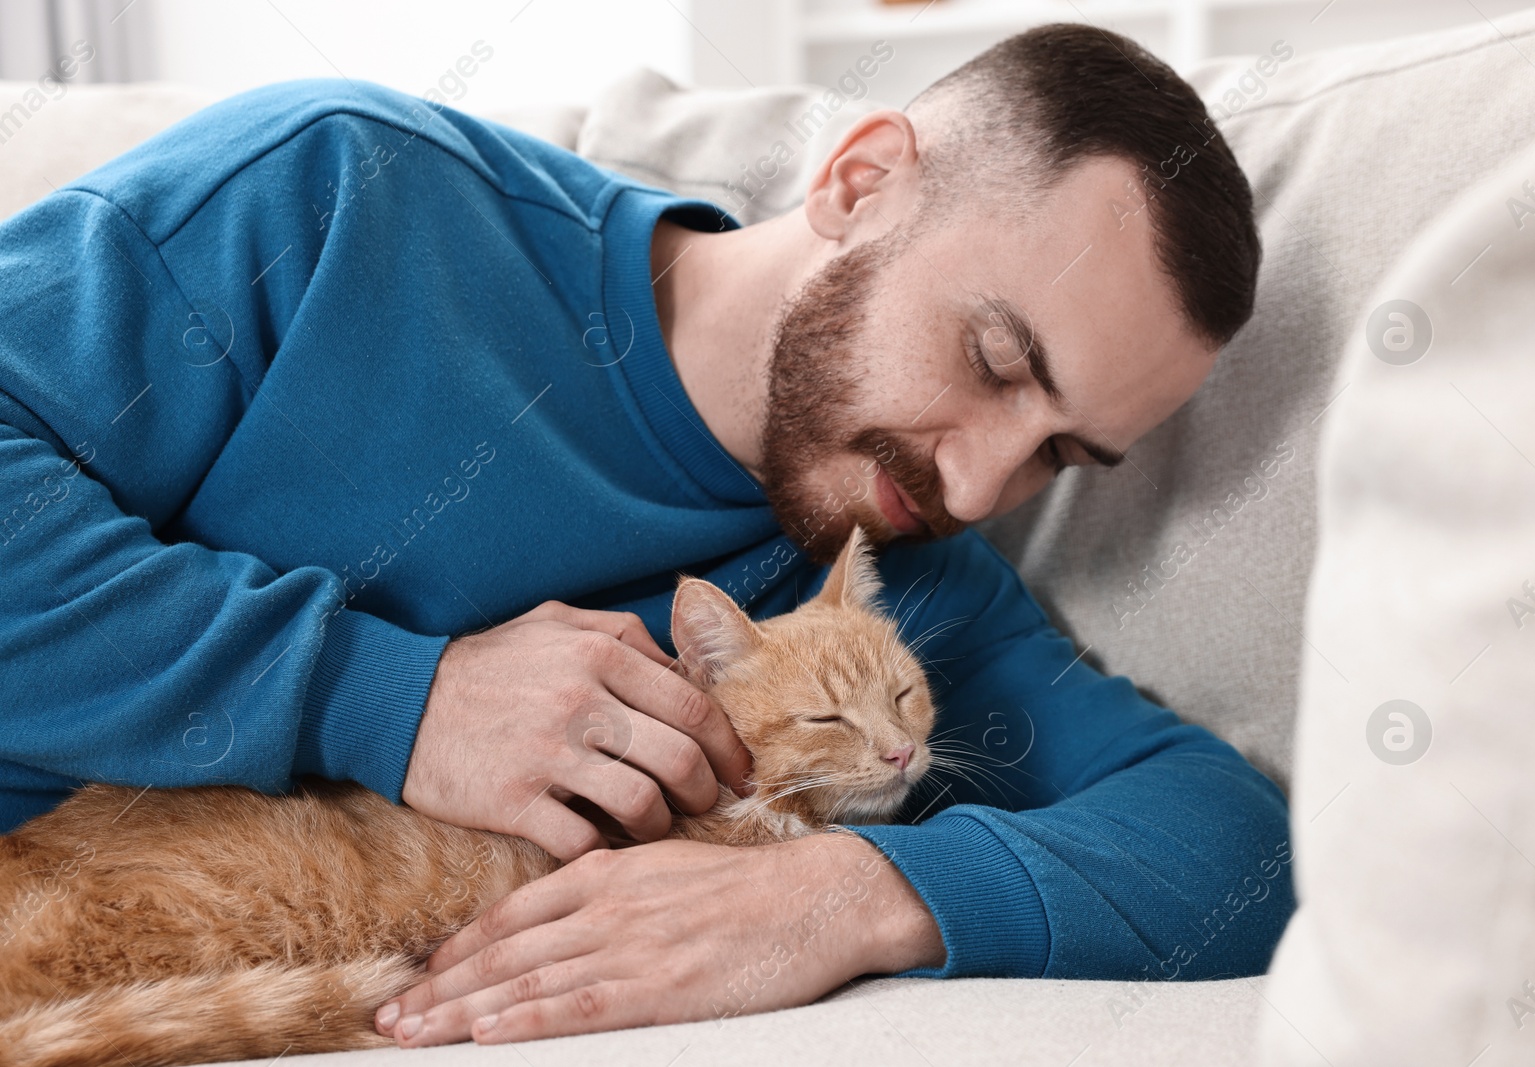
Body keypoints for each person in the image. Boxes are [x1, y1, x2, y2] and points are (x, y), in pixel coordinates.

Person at [0, 23, 1292, 1047]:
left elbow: (1242, 849)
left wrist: (849, 894)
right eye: (996, 359)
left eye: (1063, 453)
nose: (979, 480)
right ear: (862, 180)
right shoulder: (347, 191)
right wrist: (388, 695)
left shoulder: (881, 583)